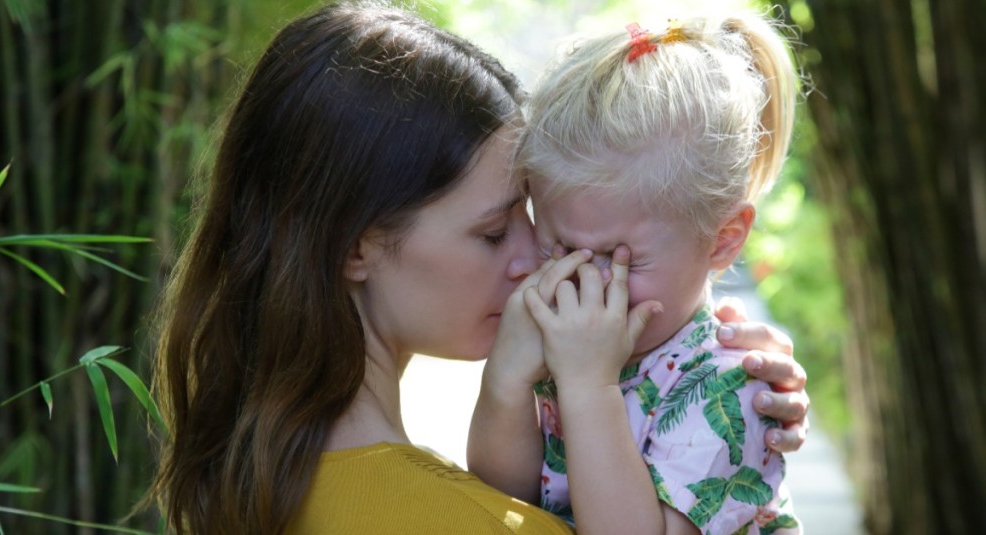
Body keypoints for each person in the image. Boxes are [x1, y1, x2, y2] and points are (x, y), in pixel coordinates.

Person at [148, 3, 809, 534]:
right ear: (356, 246)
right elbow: (501, 485)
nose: (537, 266)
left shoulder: (256, 483)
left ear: (723, 240)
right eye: (495, 232)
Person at [469, 10, 803, 535]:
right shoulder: (572, 339)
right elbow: (502, 502)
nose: (588, 283)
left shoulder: (729, 386)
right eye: (560, 248)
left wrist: (587, 387)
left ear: (723, 240)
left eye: (622, 259)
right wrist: (507, 380)